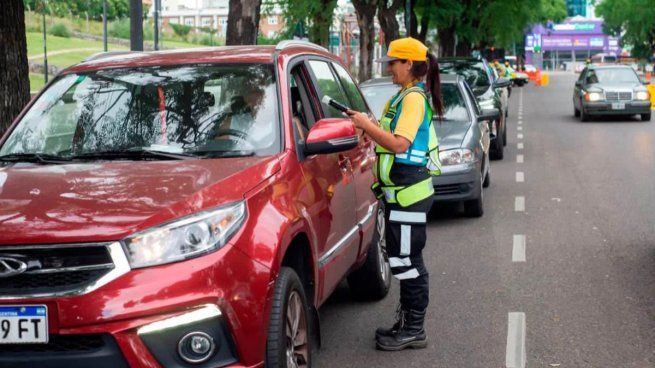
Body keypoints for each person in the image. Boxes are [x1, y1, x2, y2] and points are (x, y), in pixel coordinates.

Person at [345, 37, 443, 352]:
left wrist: (367, 126)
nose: (389, 68)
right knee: (402, 260)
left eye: (393, 62)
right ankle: (407, 324)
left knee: (408, 261)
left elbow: (400, 144)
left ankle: (414, 329)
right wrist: (367, 124)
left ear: (409, 64)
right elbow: (390, 136)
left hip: (408, 195)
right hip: (401, 194)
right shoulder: (402, 97)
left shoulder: (413, 98)